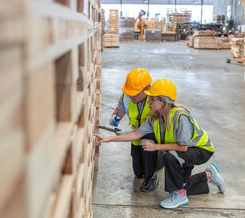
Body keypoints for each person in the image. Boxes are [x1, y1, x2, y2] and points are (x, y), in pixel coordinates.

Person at [95, 79, 225, 209]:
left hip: (200, 150)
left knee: (170, 157)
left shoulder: (180, 116)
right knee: (183, 185)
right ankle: (208, 175)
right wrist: (108, 139)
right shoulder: (155, 118)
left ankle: (179, 196)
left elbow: (183, 147)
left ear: (163, 101)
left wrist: (155, 147)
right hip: (184, 153)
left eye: (152, 99)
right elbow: (136, 134)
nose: (149, 102)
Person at [109, 68, 160, 192]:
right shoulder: (127, 97)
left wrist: (127, 134)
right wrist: (115, 119)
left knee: (147, 144)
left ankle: (151, 176)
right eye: (130, 92)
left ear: (147, 89)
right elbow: (119, 111)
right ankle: (155, 163)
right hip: (136, 135)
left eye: (136, 93)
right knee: (138, 172)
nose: (132, 96)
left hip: (154, 137)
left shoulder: (155, 99)